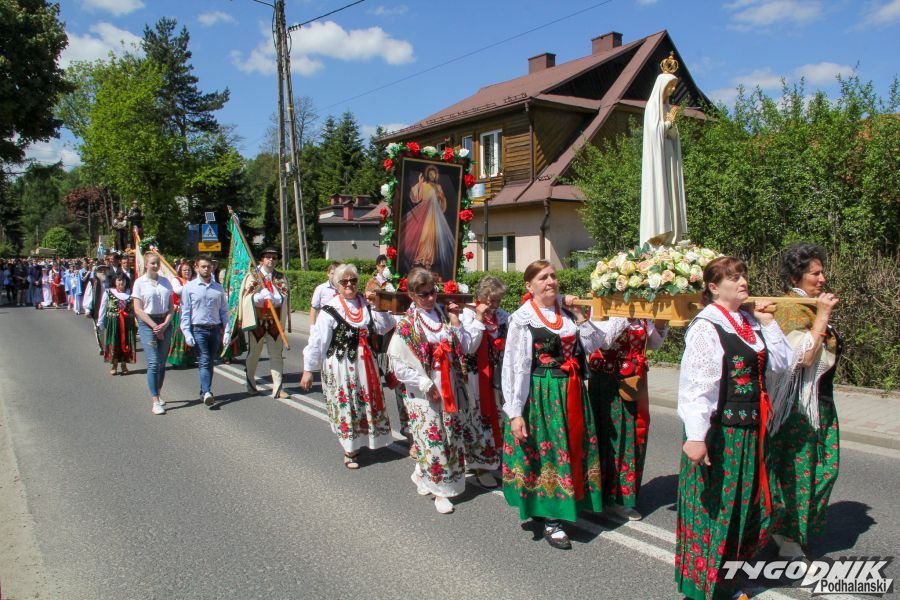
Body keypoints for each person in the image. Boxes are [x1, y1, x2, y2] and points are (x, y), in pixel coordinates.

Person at [674, 256, 792, 600]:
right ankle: (705, 587)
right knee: (715, 509)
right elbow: (698, 386)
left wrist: (768, 322)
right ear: (713, 287)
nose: (743, 282)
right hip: (720, 433)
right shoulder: (706, 327)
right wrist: (696, 437)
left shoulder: (748, 321)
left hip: (751, 431)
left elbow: (783, 364)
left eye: (743, 275)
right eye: (734, 278)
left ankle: (728, 581)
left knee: (742, 506)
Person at [500, 260, 619, 549]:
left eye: (553, 276)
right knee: (549, 453)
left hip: (571, 390)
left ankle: (565, 505)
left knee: (570, 448)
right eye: (543, 277)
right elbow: (513, 366)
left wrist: (579, 315)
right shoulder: (523, 319)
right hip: (541, 394)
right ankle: (552, 519)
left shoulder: (566, 314)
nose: (550, 281)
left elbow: (594, 344)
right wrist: (515, 412)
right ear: (529, 286)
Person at [766, 243, 841, 560]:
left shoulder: (808, 305)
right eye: (815, 273)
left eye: (822, 272)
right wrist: (823, 315)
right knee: (798, 471)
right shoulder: (789, 308)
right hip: (796, 405)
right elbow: (804, 358)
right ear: (797, 275)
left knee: (825, 468)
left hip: (820, 401)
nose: (822, 279)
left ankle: (792, 529)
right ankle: (787, 537)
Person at [386, 268, 478, 514]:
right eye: (424, 294)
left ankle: (422, 473)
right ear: (412, 295)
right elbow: (398, 365)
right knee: (433, 438)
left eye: (432, 292)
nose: (430, 298)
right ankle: (440, 491)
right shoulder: (407, 325)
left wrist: (456, 321)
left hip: (449, 384)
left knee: (450, 435)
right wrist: (426, 384)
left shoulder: (443, 315)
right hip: (424, 390)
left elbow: (464, 346)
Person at [300, 264, 395, 468]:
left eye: (353, 280)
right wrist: (308, 369)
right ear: (337, 284)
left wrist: (378, 306)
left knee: (364, 403)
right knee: (347, 404)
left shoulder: (367, 305)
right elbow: (318, 341)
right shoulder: (330, 309)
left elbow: (384, 327)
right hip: (341, 365)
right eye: (345, 281)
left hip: (366, 364)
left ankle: (363, 438)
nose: (350, 284)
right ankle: (350, 449)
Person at [587, 318, 667, 521]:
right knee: (610, 437)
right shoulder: (603, 311)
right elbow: (604, 342)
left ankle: (620, 497)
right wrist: (623, 315)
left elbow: (655, 344)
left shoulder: (641, 316)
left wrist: (660, 323)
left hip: (633, 382)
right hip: (607, 382)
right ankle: (599, 494)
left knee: (630, 437)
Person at [459, 275, 509, 488]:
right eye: (490, 300)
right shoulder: (468, 315)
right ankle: (479, 465)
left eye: (497, 300)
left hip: (496, 375)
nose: (494, 305)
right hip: (475, 375)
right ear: (480, 297)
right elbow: (469, 347)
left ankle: (491, 458)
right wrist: (479, 319)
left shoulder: (502, 316)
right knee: (477, 417)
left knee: (498, 416)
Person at [639, 55, 687, 247]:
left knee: (671, 191)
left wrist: (672, 125)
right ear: (661, 87)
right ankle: (658, 235)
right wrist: (667, 123)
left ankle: (673, 236)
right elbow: (654, 131)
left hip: (669, 157)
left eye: (674, 86)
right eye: (670, 86)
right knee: (660, 190)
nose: (673, 90)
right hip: (657, 159)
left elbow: (672, 135)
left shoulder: (667, 107)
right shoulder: (652, 106)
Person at [181, 255, 231, 409]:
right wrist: (186, 332)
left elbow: (224, 311)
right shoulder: (189, 288)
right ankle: (208, 391)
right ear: (196, 268)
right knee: (203, 359)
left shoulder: (218, 288)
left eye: (209, 266)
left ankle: (204, 391)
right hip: (198, 329)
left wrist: (227, 330)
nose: (206, 269)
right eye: (203, 266)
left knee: (210, 361)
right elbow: (185, 312)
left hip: (214, 329)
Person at [239, 248, 290, 399]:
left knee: (276, 354)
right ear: (262, 259)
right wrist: (258, 297)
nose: (271, 260)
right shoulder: (252, 276)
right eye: (268, 257)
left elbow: (285, 296)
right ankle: (250, 382)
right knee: (254, 353)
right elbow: (246, 296)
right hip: (258, 321)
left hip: (274, 321)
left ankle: (278, 388)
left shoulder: (281, 277)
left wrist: (276, 298)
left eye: (274, 257)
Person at [132, 252, 175, 416]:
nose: (156, 266)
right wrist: (154, 326)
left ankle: (158, 391)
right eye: (152, 263)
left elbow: (171, 307)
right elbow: (138, 309)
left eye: (157, 263)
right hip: (148, 323)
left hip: (164, 323)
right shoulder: (139, 283)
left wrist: (165, 324)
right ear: (146, 264)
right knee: (153, 362)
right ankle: (155, 401)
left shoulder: (165, 282)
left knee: (162, 363)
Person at [400, 165, 456, 281]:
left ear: (436, 175)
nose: (432, 176)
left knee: (432, 236)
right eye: (430, 174)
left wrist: (440, 196)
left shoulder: (438, 187)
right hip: (424, 214)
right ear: (427, 175)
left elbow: (443, 202)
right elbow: (415, 198)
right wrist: (420, 183)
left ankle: (428, 262)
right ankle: (420, 259)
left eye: (434, 174)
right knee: (423, 235)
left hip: (434, 215)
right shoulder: (424, 185)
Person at [98, 272, 137, 376]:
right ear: (114, 282)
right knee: (114, 342)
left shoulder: (131, 293)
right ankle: (114, 365)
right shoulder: (108, 292)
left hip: (127, 323)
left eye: (123, 280)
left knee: (126, 343)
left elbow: (136, 309)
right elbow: (103, 307)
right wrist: (100, 322)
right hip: (114, 323)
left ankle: (124, 364)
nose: (121, 282)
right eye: (119, 280)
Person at [167, 261, 197, 368]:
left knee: (191, 334)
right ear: (180, 271)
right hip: (180, 311)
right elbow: (177, 290)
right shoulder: (176, 280)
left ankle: (189, 359)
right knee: (179, 335)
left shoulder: (194, 280)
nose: (187, 272)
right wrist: (191, 286)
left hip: (192, 312)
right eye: (184, 270)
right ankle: (177, 360)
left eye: (189, 270)